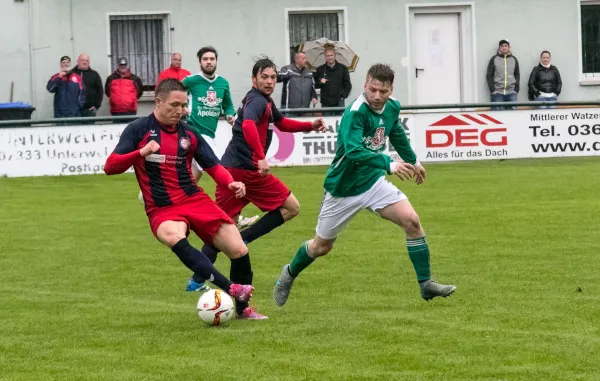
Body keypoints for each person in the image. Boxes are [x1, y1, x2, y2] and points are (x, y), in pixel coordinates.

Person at [273, 64, 457, 307]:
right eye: (373, 90)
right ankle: (289, 273)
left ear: (391, 89)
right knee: (321, 246)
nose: (378, 96)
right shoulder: (355, 113)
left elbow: (396, 133)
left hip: (372, 182)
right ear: (365, 86)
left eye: (384, 91)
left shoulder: (392, 107)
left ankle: (426, 285)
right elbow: (354, 151)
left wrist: (413, 160)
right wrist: (389, 164)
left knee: (412, 221)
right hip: (343, 189)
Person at [186, 57, 327, 317]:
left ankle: (197, 278)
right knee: (291, 207)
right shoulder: (257, 101)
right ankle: (245, 239)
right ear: (254, 79)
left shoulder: (264, 101)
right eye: (265, 77)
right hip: (245, 171)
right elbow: (249, 125)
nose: (270, 81)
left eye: (273, 77)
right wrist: (260, 156)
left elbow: (282, 123)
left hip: (233, 169)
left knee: (221, 227)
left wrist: (310, 125)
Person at [103, 79, 255, 312]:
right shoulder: (138, 129)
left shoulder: (190, 133)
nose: (181, 111)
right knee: (173, 235)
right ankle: (232, 288)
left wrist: (230, 183)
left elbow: (213, 166)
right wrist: (140, 153)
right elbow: (110, 167)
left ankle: (244, 311)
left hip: (194, 199)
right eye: (175, 105)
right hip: (162, 207)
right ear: (158, 101)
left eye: (184, 105)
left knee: (238, 249)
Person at [180, 46, 258, 230]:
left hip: (210, 135)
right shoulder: (191, 81)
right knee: (224, 173)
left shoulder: (222, 83)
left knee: (191, 180)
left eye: (212, 59)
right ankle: (234, 216)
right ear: (200, 62)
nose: (209, 62)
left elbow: (228, 105)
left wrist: (230, 115)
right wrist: (183, 107)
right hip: (195, 132)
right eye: (205, 59)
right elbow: (172, 92)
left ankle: (167, 201)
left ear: (216, 61)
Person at [314, 47, 352, 115]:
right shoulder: (320, 69)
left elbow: (348, 85)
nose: (330, 57)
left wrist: (343, 96)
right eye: (328, 56)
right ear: (325, 57)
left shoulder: (343, 68)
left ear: (335, 56)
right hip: (326, 103)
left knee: (339, 123)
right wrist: (320, 82)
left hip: (339, 101)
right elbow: (315, 85)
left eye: (331, 55)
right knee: (327, 123)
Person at [486, 40, 520, 111]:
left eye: (505, 46)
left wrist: (516, 89)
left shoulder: (514, 59)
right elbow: (489, 75)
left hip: (511, 93)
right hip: (497, 93)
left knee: (512, 117)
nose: (504, 48)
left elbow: (517, 74)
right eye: (502, 46)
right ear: (499, 48)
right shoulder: (494, 59)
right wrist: (493, 90)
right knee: (497, 116)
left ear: (509, 47)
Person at [71, 53, 104, 119]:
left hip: (89, 110)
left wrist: (96, 105)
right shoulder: (71, 73)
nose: (85, 62)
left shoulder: (94, 74)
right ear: (78, 61)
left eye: (87, 61)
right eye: (83, 60)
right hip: (73, 110)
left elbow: (100, 91)